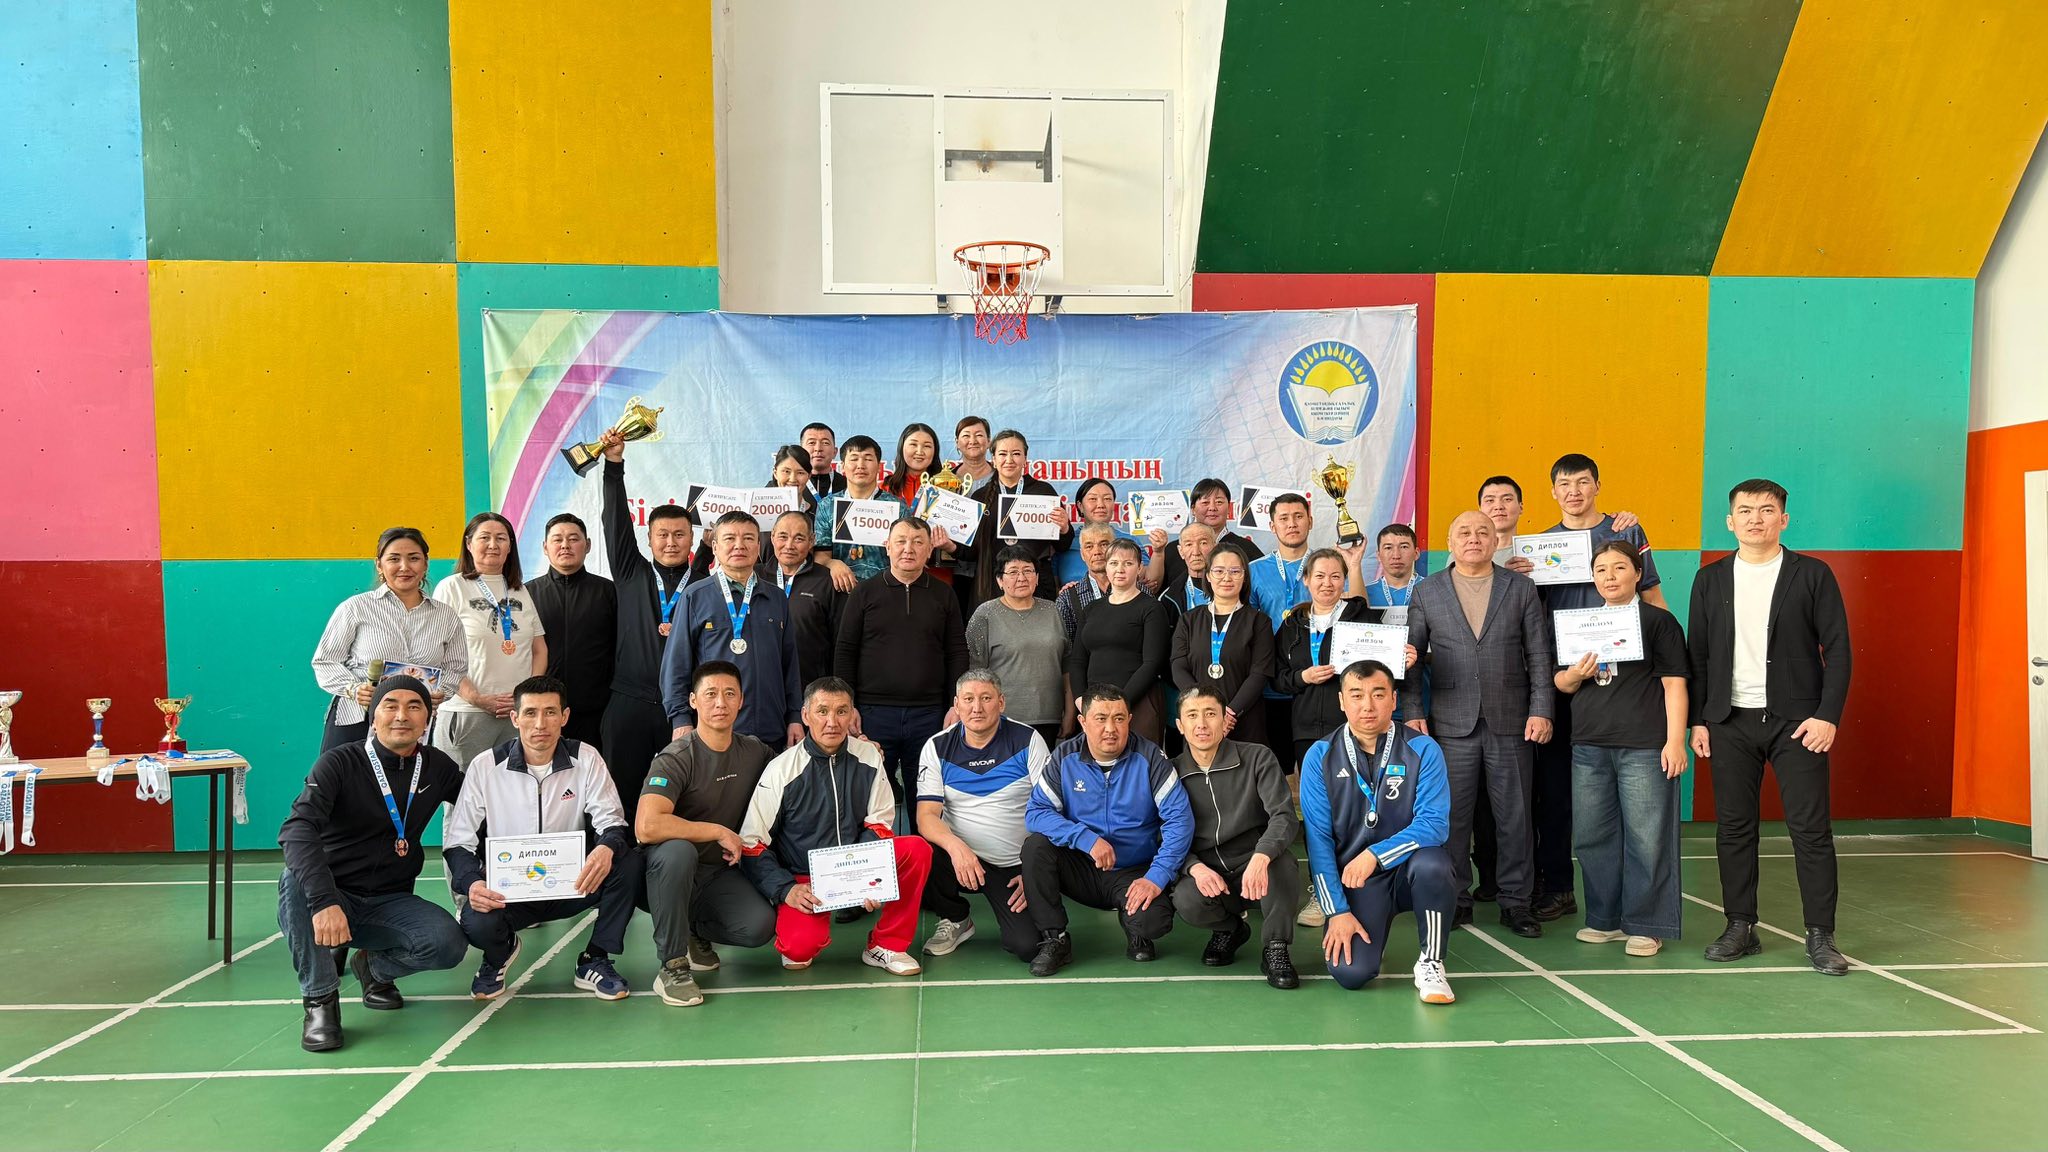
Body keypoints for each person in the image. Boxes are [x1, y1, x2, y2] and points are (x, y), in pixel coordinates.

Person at [1688, 479, 1852, 976]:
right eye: (1745, 510)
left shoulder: (1812, 574)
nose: (1755, 518)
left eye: (1765, 510)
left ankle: (1821, 935)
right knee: (1734, 829)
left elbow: (1838, 648)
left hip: (1798, 723)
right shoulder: (1710, 579)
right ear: (1729, 521)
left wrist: (1827, 715)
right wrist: (1698, 719)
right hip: (1728, 721)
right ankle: (1740, 926)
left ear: (1783, 519)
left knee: (1810, 830)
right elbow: (1698, 655)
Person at [277, 675, 468, 1052]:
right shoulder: (338, 763)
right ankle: (320, 1001)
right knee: (294, 881)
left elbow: (484, 806)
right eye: (390, 706)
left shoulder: (437, 767)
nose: (402, 716)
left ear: (427, 718)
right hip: (334, 895)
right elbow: (297, 830)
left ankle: (373, 968)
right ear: (373, 716)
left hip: (390, 900)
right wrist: (324, 902)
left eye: (414, 706)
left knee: (448, 945)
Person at [1401, 510, 1553, 938]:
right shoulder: (1427, 591)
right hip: (1450, 723)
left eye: (1482, 532)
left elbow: (1539, 654)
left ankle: (1516, 902)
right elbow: (1410, 657)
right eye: (1464, 532)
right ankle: (1455, 899)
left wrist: (1542, 708)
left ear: (1495, 540)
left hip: (1513, 720)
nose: (1474, 538)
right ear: (1450, 542)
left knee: (1515, 818)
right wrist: (1412, 711)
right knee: (1451, 819)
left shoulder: (1520, 587)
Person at [443, 676, 640, 1001]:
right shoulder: (485, 766)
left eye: (550, 712)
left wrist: (605, 847)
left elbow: (612, 822)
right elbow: (458, 842)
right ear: (515, 718)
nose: (540, 724)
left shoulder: (586, 758)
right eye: (530, 713)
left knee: (628, 862)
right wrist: (473, 884)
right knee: (476, 922)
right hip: (509, 892)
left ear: (564, 717)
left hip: (574, 884)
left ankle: (595, 958)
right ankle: (498, 955)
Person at [1528, 453, 1665, 922]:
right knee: (1557, 793)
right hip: (1567, 682)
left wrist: (1666, 661)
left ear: (1597, 486)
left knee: (1632, 805)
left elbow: (1654, 599)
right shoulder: (1539, 547)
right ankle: (1559, 888)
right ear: (1553, 491)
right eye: (1565, 484)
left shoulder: (1626, 532)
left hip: (1626, 685)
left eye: (1583, 482)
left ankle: (1637, 907)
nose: (1574, 492)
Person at [740, 678, 933, 975]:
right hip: (804, 877)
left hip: (857, 865)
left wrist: (866, 876)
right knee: (798, 952)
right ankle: (799, 925)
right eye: (822, 711)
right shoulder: (781, 769)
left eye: (841, 711)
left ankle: (887, 945)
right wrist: (786, 889)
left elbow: (879, 821)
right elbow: (752, 842)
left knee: (916, 849)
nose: (832, 722)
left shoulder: (868, 755)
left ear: (852, 714)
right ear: (806, 716)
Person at [1554, 541, 1688, 957]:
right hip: (1589, 745)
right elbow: (1562, 683)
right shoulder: (1581, 623)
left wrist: (1675, 740)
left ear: (1637, 574)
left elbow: (1675, 684)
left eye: (1619, 568)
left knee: (1648, 837)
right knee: (1592, 836)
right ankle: (1604, 919)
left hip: (1644, 746)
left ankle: (1647, 924)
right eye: (1601, 570)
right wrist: (1575, 674)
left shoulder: (1659, 622)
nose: (1609, 577)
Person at [1303, 661, 1457, 1003]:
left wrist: (1375, 854)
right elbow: (1318, 841)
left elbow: (1434, 824)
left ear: (1394, 699)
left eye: (1378, 694)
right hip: (1358, 880)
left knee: (1434, 865)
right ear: (1342, 701)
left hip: (1408, 869)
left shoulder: (1423, 749)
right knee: (1350, 973)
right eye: (1356, 695)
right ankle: (1372, 931)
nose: (1367, 706)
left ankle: (1431, 961)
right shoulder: (1321, 756)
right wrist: (1336, 911)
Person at [1021, 685, 1193, 976]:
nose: (1110, 728)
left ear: (1129, 720)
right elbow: (1036, 813)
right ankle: (1055, 939)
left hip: (1132, 871)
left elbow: (1180, 820)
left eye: (1119, 718)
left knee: (1153, 922)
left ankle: (1135, 928)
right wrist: (1085, 839)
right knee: (1036, 847)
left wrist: (1156, 877)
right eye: (1100, 718)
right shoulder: (1064, 756)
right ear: (1083, 722)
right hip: (1081, 866)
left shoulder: (1151, 758)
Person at [636, 661, 779, 1007]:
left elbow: (796, 773)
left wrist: (858, 748)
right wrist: (716, 830)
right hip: (664, 873)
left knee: (759, 927)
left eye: (729, 694)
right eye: (711, 694)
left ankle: (692, 929)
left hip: (717, 873)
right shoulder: (675, 757)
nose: (720, 703)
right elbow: (646, 826)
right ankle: (672, 966)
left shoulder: (755, 751)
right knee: (679, 851)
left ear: (741, 700)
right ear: (693, 700)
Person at [834, 517, 971, 813]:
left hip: (929, 715)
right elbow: (845, 651)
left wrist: (955, 703)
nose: (908, 549)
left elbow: (957, 652)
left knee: (926, 801)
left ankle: (923, 846)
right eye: (901, 541)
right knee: (869, 799)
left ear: (929, 549)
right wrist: (848, 705)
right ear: (887, 546)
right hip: (872, 713)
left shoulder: (944, 593)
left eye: (918, 542)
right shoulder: (864, 593)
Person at [1169, 687, 1300, 988]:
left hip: (1254, 862)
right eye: (1192, 715)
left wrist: (1262, 855)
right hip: (1209, 869)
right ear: (1180, 725)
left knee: (1282, 865)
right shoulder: (1171, 773)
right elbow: (1164, 833)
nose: (1202, 724)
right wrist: (1193, 867)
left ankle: (1276, 947)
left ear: (1225, 720)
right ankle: (1230, 929)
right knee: (1186, 898)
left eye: (1210, 714)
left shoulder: (1257, 757)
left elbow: (1283, 815)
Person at [916, 670, 1049, 962]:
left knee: (1028, 946)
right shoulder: (937, 746)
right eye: (968, 699)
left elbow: (1051, 809)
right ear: (956, 705)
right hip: (960, 859)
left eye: (986, 698)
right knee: (921, 850)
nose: (977, 707)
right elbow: (926, 815)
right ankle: (955, 918)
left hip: (1014, 864)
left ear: (1001, 702)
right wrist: (956, 847)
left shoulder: (1028, 740)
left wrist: (1034, 872)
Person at [599, 431, 696, 806]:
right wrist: (614, 465)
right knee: (620, 796)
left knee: (686, 797)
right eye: (663, 535)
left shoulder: (704, 585)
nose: (671, 542)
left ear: (692, 539)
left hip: (684, 708)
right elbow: (615, 523)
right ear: (650, 539)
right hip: (630, 701)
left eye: (679, 534)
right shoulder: (631, 572)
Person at [311, 527, 466, 752]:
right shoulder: (355, 608)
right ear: (379, 564)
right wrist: (354, 689)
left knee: (406, 775)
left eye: (414, 558)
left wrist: (441, 692)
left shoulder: (446, 616)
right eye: (394, 559)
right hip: (356, 718)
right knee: (345, 774)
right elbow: (325, 661)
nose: (404, 567)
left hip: (413, 724)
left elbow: (456, 667)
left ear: (425, 564)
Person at [661, 510, 804, 750]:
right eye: (730, 538)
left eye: (748, 538)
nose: (739, 545)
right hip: (716, 731)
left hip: (772, 730)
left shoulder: (777, 598)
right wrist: (680, 719)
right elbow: (676, 664)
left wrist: (795, 716)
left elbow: (790, 665)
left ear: (758, 546)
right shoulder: (695, 596)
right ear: (715, 547)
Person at [1248, 493, 1365, 785]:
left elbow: (1356, 612)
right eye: (1284, 518)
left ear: (1310, 522)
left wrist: (1354, 566)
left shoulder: (1327, 565)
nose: (1292, 524)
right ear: (1272, 526)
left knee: (1331, 773)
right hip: (1275, 686)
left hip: (1326, 689)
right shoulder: (1254, 570)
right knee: (1279, 773)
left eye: (1298, 517)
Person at [432, 513, 547, 772]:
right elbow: (438, 654)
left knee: (512, 789)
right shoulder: (452, 587)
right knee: (463, 791)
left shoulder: (519, 590)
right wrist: (477, 698)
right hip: (468, 712)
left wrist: (525, 698)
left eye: (501, 538)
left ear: (510, 547)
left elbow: (539, 650)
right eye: (485, 537)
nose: (493, 545)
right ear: (469, 544)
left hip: (517, 715)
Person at [1168, 541, 1275, 746]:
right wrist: (1206, 710)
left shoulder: (1259, 622)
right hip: (1200, 723)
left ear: (1244, 577)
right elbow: (1178, 667)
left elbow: (1259, 673)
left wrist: (1229, 713)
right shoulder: (1189, 620)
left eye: (1235, 571)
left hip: (1244, 720)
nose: (1227, 578)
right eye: (1219, 571)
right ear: (1208, 575)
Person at [1065, 538, 1171, 744]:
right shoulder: (1092, 609)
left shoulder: (1151, 608)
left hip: (1138, 703)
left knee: (1139, 761)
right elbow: (1077, 660)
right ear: (1106, 567)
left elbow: (1152, 663)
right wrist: (1081, 701)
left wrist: (1120, 703)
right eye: (1114, 563)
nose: (1120, 569)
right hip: (1094, 706)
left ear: (1139, 568)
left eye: (1128, 563)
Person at [526, 513, 617, 749]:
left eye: (573, 539)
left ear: (588, 545)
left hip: (597, 711)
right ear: (545, 547)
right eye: (557, 539)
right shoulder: (526, 594)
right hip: (543, 710)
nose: (565, 545)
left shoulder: (608, 592)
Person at [966, 545, 1070, 746]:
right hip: (1002, 718)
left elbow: (1067, 664)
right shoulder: (984, 614)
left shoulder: (1053, 610)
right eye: (1013, 572)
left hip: (1049, 717)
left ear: (1037, 577)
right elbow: (975, 672)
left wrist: (1070, 712)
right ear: (1000, 580)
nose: (1021, 578)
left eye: (1028, 571)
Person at [964, 428, 1069, 608]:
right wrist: (949, 546)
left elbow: (1062, 546)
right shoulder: (980, 497)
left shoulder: (1044, 492)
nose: (1009, 460)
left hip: (1036, 585)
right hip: (993, 586)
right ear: (993, 459)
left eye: (1016, 454)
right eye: (1003, 454)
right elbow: (971, 552)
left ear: (1025, 459)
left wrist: (1064, 528)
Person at [686, 445, 819, 580]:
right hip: (755, 584)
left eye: (800, 473)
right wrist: (707, 544)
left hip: (805, 585)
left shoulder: (817, 513)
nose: (793, 478)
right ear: (775, 472)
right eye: (786, 471)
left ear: (809, 476)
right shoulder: (751, 511)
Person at [812, 435, 906, 589]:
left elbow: (904, 555)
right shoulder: (827, 506)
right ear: (842, 466)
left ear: (879, 466)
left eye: (868, 459)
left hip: (887, 590)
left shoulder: (897, 507)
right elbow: (821, 557)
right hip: (840, 590)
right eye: (854, 459)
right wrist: (833, 563)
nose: (860, 465)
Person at [764, 510, 843, 689]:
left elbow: (840, 642)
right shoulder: (755, 577)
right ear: (773, 537)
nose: (789, 545)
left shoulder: (828, 581)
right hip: (762, 685)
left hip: (810, 688)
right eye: (783, 537)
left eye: (798, 538)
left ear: (812, 541)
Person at [881, 421, 962, 583]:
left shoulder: (947, 485)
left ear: (935, 451)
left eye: (927, 446)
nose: (919, 451)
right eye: (913, 444)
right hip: (896, 571)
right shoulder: (888, 486)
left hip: (937, 572)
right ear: (902, 448)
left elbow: (958, 534)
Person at [1158, 478, 1264, 593]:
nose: (1212, 508)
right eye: (1205, 502)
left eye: (1219, 502)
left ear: (1229, 508)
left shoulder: (1247, 549)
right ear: (1193, 509)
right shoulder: (1173, 550)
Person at [948, 416, 995, 612]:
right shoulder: (944, 479)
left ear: (989, 441)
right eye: (966, 435)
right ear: (957, 442)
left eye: (979, 435)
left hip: (990, 569)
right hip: (953, 567)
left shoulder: (1002, 478)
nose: (973, 440)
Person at [1057, 478, 1136, 586]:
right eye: (1093, 499)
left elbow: (1149, 581)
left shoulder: (1130, 541)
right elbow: (1051, 585)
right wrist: (1065, 593)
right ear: (1080, 506)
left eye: (1107, 499)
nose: (1100, 505)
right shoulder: (1065, 542)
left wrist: (1157, 552)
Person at [1054, 523, 1116, 639]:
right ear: (1082, 554)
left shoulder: (1138, 590)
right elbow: (1066, 646)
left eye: (1104, 544)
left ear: (1115, 550)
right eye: (1089, 546)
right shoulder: (1067, 599)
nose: (1097, 552)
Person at [1158, 521, 1216, 617]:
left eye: (1203, 543)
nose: (1196, 552)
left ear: (1215, 548)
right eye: (1189, 544)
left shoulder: (1232, 588)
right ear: (1181, 551)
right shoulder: (1168, 598)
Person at [1365, 523, 1422, 613]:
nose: (1396, 556)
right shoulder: (1365, 594)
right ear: (1378, 555)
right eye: (1388, 548)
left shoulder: (1432, 589)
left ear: (1416, 553)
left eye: (1404, 547)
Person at [800, 422, 847, 503]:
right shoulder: (791, 485)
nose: (818, 448)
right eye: (811, 443)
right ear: (801, 450)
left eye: (825, 443)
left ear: (835, 452)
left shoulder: (847, 486)